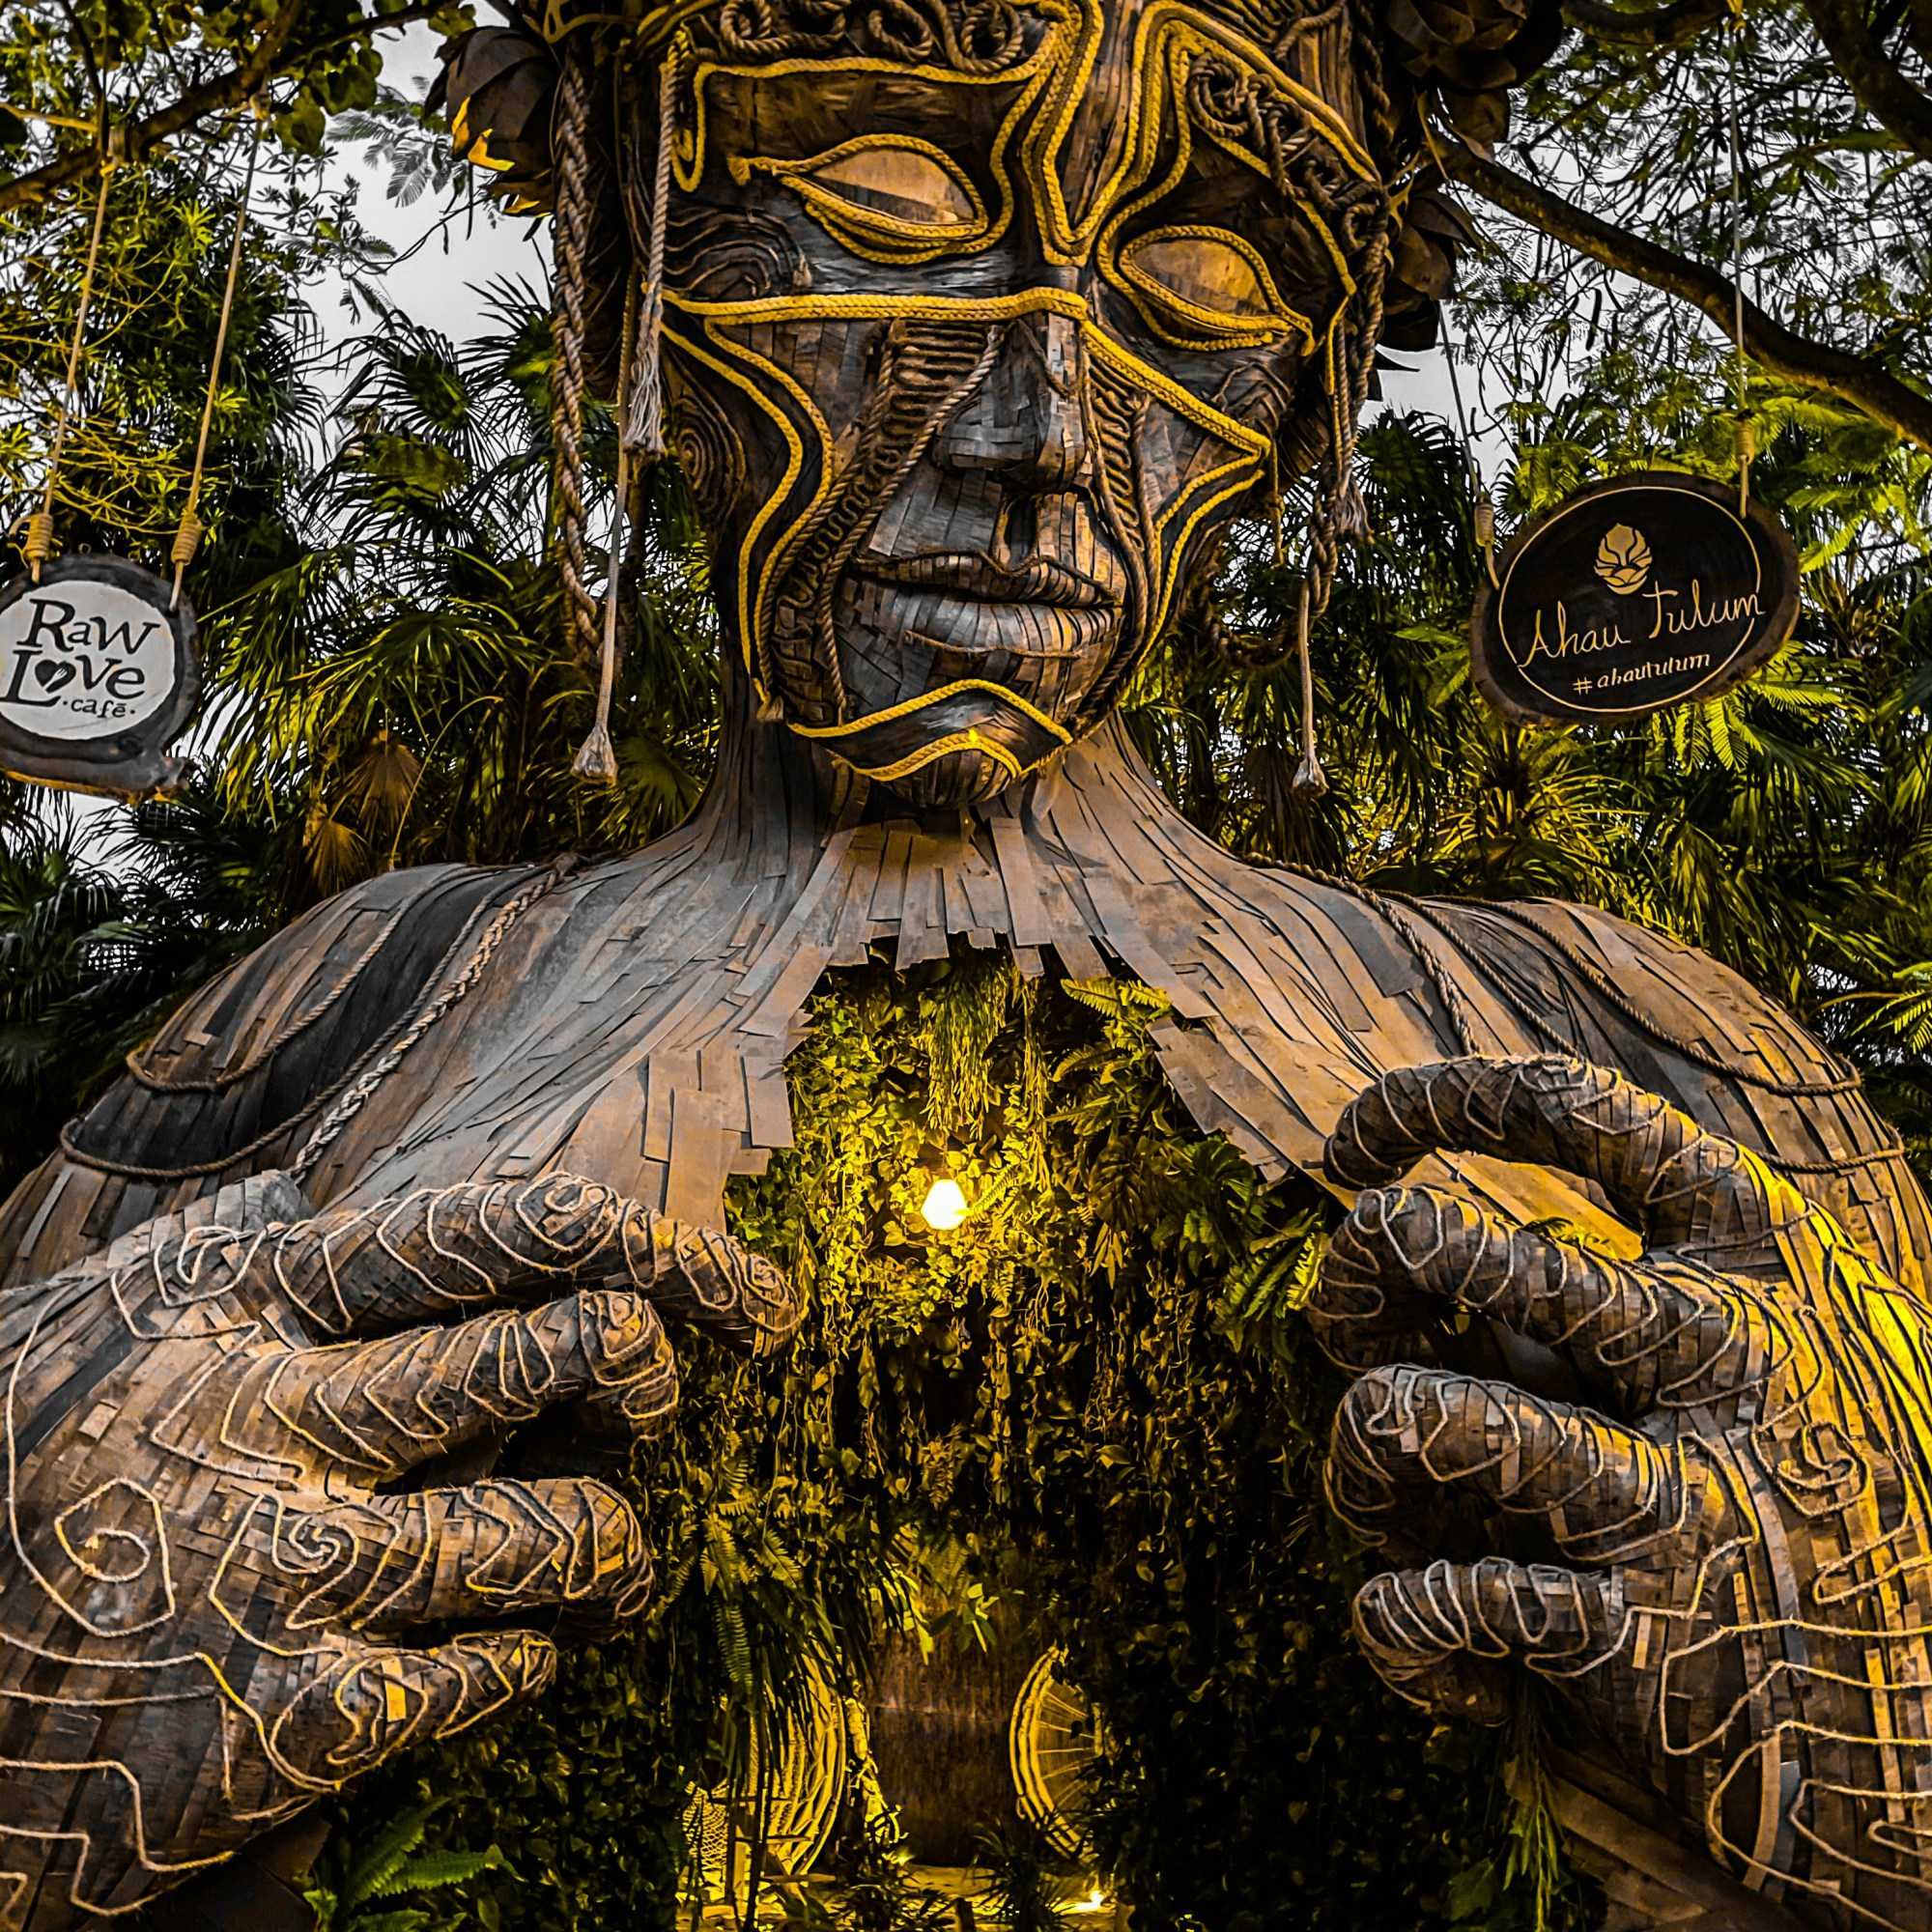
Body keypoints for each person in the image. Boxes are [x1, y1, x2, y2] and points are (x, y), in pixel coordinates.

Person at [2, 0, 1926, 1924]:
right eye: (886, 191)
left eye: (1205, 269)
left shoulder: (1612, 1034)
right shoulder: (362, 989)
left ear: (1313, 390)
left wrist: (1874, 1681)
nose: (1035, 431)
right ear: (630, 294)